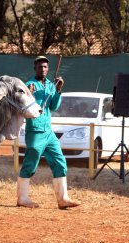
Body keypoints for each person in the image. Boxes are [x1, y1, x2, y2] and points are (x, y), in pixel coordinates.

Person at [16, 55, 81, 209]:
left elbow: (53, 107)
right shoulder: (28, 85)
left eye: (45, 67)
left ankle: (63, 199)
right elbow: (24, 105)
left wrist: (58, 90)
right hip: (35, 131)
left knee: (60, 161)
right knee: (30, 165)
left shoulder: (51, 85)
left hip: (49, 132)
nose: (43, 69)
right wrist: (29, 93)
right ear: (35, 68)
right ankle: (22, 198)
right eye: (40, 66)